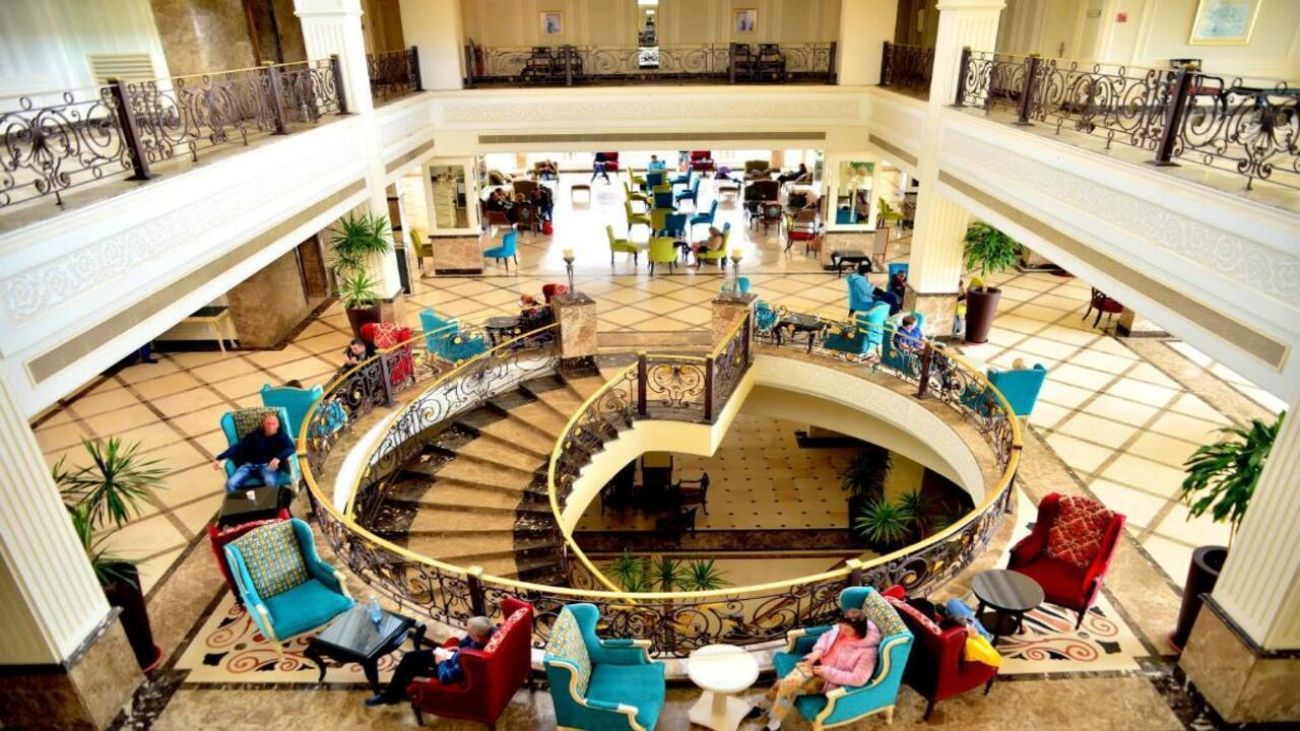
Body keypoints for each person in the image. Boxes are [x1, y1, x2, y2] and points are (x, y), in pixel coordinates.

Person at [761, 613, 881, 730]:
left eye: (846, 630)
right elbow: (826, 637)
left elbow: (859, 679)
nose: (841, 631)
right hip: (814, 665)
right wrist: (817, 652)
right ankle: (767, 709)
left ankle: (774, 721)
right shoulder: (840, 629)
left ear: (859, 630)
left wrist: (827, 672)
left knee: (786, 685)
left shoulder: (868, 652)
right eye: (841, 626)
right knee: (784, 684)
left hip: (829, 680)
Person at [365, 616, 497, 707]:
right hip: (451, 656)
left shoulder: (469, 658)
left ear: (477, 636)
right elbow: (464, 643)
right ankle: (395, 693)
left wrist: (441, 661)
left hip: (447, 667)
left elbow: (445, 677)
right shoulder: (487, 633)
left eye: (468, 630)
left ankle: (391, 696)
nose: (466, 630)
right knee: (410, 657)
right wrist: (454, 649)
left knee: (411, 665)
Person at [212, 412, 294, 492]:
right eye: (268, 424)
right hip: (248, 465)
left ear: (278, 425)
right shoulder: (255, 435)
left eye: (274, 424)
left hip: (266, 466)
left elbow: (291, 448)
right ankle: (240, 500)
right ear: (264, 425)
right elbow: (238, 447)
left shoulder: (282, 436)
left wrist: (278, 458)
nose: (270, 426)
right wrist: (220, 457)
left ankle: (270, 500)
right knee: (230, 484)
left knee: (270, 482)